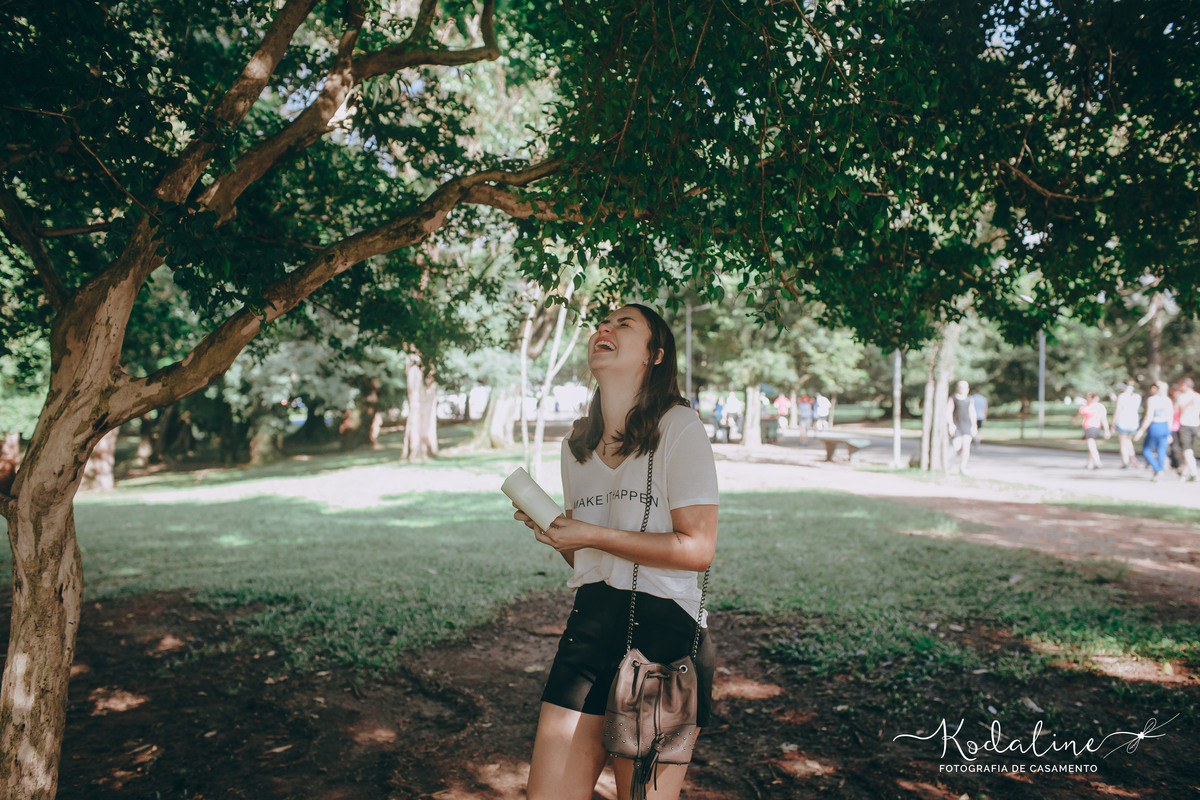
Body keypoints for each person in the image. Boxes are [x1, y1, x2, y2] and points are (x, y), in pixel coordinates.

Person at [515, 303, 719, 800]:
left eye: (624, 324)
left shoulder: (679, 427)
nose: (604, 327)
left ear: (655, 355)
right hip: (588, 626)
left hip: (662, 637)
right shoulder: (576, 445)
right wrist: (563, 537)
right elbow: (592, 563)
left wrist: (590, 534)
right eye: (602, 322)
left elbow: (698, 549)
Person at [1134, 380, 1173, 482]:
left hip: (1155, 425)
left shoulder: (1152, 400)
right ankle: (1160, 469)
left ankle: (1157, 469)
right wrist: (1169, 433)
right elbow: (1170, 418)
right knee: (1161, 450)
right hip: (1164, 426)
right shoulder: (1168, 400)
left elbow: (1149, 417)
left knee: (1146, 450)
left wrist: (1141, 430)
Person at [946, 380, 978, 476]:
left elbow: (972, 413)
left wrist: (974, 426)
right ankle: (947, 464)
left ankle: (962, 467)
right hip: (957, 425)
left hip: (966, 425)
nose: (963, 389)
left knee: (966, 447)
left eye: (965, 387)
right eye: (961, 387)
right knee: (956, 445)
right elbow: (949, 412)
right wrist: (950, 424)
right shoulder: (953, 398)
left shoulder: (969, 399)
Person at [1074, 392, 1111, 470]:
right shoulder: (1085, 407)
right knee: (1091, 445)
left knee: (1091, 445)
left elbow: (1104, 419)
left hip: (1095, 427)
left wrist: (1107, 430)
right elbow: (1079, 416)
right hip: (1087, 427)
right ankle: (1090, 462)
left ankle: (1097, 461)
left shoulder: (1100, 407)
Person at [1174, 377, 1200, 481]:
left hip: (1185, 425)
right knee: (1189, 451)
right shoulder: (1198, 396)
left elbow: (1175, 410)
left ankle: (1194, 473)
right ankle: (1183, 473)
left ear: (1185, 385)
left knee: (1187, 451)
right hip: (1195, 425)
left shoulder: (1181, 397)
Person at [1113, 382, 1142, 469]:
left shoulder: (1122, 396)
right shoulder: (1137, 397)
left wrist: (1114, 422)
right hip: (1133, 422)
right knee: (1128, 441)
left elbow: (1118, 409)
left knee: (1123, 442)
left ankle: (1125, 461)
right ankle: (1133, 457)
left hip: (1123, 421)